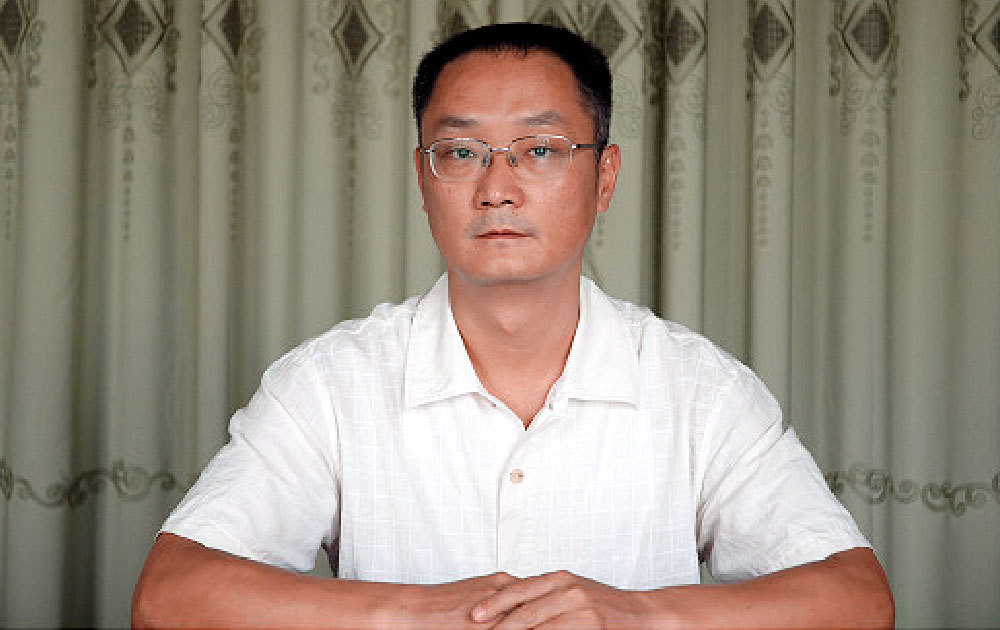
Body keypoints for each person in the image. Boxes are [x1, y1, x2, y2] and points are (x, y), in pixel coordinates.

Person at [132, 22, 893, 629]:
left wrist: (634, 615)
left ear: (604, 178)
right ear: (423, 178)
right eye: (461, 152)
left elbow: (857, 599)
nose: (498, 187)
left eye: (540, 151)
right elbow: (170, 595)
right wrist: (417, 612)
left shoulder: (701, 390)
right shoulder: (331, 384)